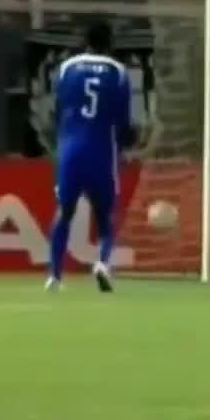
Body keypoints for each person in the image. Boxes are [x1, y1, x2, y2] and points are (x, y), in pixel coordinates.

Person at [46, 21, 136, 293]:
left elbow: (57, 111)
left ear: (84, 42)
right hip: (101, 151)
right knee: (105, 219)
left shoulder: (67, 68)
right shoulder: (118, 72)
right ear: (110, 43)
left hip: (70, 150)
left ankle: (54, 276)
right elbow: (123, 122)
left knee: (64, 212)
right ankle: (103, 264)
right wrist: (128, 145)